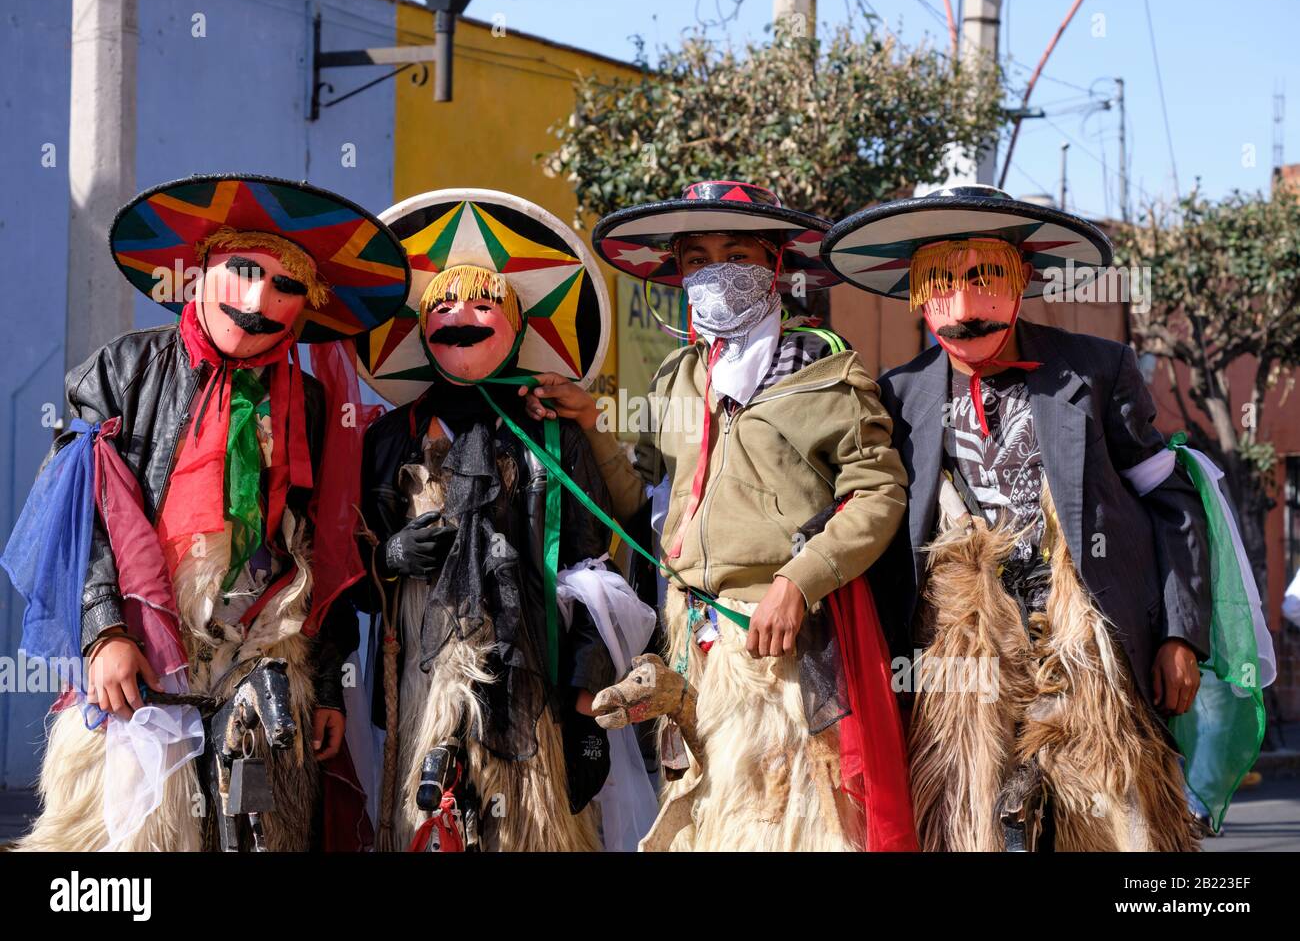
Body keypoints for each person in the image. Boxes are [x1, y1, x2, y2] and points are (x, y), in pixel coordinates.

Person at [5, 174, 410, 851]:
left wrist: (331, 682)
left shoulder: (310, 404)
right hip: (142, 657)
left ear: (306, 307)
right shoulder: (125, 368)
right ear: (201, 273)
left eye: (286, 287)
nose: (258, 300)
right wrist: (103, 630)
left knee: (257, 833)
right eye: (243, 272)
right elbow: (77, 511)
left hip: (264, 660)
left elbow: (324, 544)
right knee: (124, 846)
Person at [522, 180, 913, 851]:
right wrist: (590, 419)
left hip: (783, 652)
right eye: (697, 258)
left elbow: (880, 493)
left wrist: (800, 580)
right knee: (706, 825)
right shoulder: (680, 376)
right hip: (693, 648)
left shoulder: (826, 368)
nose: (716, 272)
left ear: (776, 265)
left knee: (789, 828)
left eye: (738, 254)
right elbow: (637, 495)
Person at [824, 183, 1209, 851]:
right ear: (917, 288)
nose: (965, 305)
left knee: (1113, 823)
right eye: (942, 279)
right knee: (966, 824)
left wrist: (1180, 634)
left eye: (985, 275)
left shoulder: (1096, 371)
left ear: (1023, 275)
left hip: (1085, 649)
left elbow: (1171, 499)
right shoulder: (898, 393)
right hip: (959, 662)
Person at [353, 188, 653, 852]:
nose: (462, 317)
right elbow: (349, 565)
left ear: (517, 326)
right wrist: (391, 557)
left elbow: (592, 569)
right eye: (444, 305)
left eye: (483, 304)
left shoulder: (552, 436)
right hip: (418, 685)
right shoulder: (388, 440)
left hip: (534, 681)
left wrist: (584, 691)